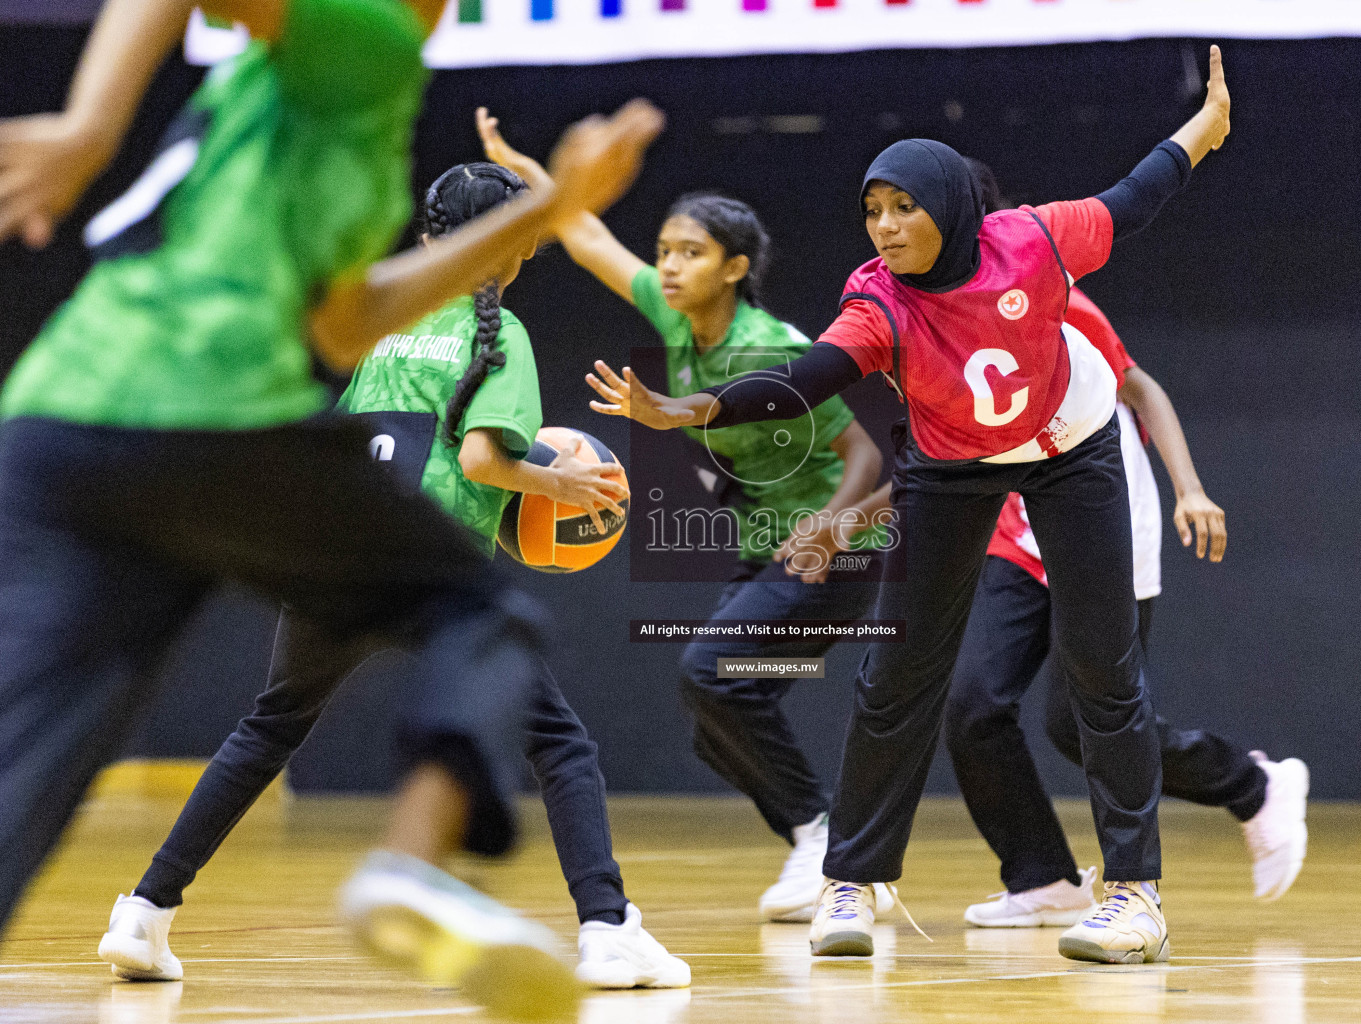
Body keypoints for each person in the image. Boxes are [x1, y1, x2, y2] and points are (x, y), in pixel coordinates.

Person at [0, 0, 661, 1016]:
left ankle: (147, 906)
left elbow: (345, 322)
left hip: (59, 416)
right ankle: (416, 867)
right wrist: (91, 125)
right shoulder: (364, 31)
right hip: (212, 412)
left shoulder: (348, 146)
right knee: (486, 611)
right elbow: (483, 455)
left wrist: (551, 204)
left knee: (42, 744)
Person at [585, 47, 1234, 964]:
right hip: (951, 464)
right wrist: (692, 408)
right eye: (872, 211)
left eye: (903, 207)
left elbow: (1138, 192)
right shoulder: (879, 299)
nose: (884, 227)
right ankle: (851, 881)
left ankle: (1133, 897)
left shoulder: (1037, 238)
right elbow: (806, 380)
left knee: (1102, 669)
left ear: (953, 209)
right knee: (900, 673)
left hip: (1069, 447)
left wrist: (1204, 130)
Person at [96, 161, 689, 991]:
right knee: (558, 740)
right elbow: (483, 459)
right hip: (421, 560)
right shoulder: (500, 336)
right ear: (511, 248)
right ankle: (606, 927)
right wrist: (559, 483)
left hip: (334, 544)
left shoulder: (386, 326)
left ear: (428, 239)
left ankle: (144, 911)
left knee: (268, 729)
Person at [477, 111, 894, 923]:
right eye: (665, 250)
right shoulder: (677, 317)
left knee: (709, 673)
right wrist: (532, 168)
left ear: (735, 268)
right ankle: (833, 854)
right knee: (718, 715)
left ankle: (830, 847)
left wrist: (826, 532)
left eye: (690, 253)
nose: (668, 267)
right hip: (768, 539)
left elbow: (868, 458)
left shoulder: (770, 347)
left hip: (836, 544)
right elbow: (584, 234)